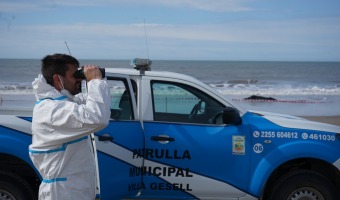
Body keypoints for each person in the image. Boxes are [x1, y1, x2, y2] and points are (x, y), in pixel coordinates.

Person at [29, 53, 111, 199]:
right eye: (75, 75)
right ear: (57, 79)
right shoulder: (51, 110)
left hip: (72, 191)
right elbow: (97, 118)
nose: (79, 79)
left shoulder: (65, 103)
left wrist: (94, 79)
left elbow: (93, 102)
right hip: (62, 193)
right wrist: (94, 81)